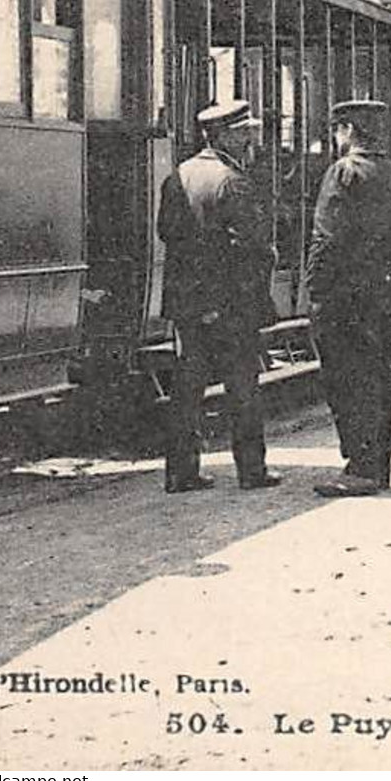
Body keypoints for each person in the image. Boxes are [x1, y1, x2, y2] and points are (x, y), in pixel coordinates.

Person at [155, 99, 278, 493]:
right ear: (225, 135)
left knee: (188, 387)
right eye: (244, 134)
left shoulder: (179, 176)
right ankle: (251, 471)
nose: (250, 140)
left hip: (189, 304)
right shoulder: (233, 181)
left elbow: (167, 233)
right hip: (230, 305)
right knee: (242, 386)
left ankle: (180, 472)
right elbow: (252, 245)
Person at [306, 101, 391, 498]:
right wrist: (389, 281)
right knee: (377, 376)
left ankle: (359, 465)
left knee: (344, 379)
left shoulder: (344, 172)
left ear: (349, 130)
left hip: (342, 298)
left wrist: (315, 291)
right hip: (380, 294)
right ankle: (378, 463)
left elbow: (326, 239)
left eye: (338, 129)